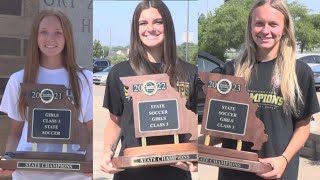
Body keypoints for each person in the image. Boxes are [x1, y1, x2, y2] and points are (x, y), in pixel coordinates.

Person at [218, 0, 319, 180]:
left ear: (285, 28)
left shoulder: (300, 72)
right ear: (250, 27)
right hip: (233, 173)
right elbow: (217, 123)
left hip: (277, 173)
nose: (265, 31)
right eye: (259, 23)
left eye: (273, 24)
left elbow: (303, 126)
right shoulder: (230, 70)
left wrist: (283, 159)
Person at [100, 0, 198, 180]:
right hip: (131, 173)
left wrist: (193, 157)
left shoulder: (189, 73)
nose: (150, 28)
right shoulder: (119, 72)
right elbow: (115, 121)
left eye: (158, 22)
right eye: (143, 23)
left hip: (175, 173)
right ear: (135, 29)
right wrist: (107, 152)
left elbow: (192, 124)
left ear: (167, 25)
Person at [0, 10, 93, 180]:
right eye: (43, 32)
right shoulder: (18, 79)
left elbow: (91, 132)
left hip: (73, 176)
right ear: (35, 36)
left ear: (67, 38)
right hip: (28, 175)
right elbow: (15, 132)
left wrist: (90, 160)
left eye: (58, 33)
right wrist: (8, 158)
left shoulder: (85, 79)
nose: (50, 38)